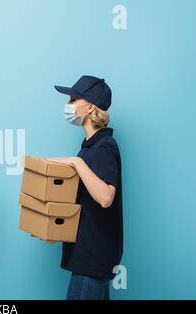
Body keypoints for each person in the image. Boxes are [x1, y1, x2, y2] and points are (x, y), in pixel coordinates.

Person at [49, 75, 123, 300]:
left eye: (73, 99)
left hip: (92, 259)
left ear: (90, 107)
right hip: (91, 257)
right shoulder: (89, 148)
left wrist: (76, 162)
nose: (68, 105)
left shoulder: (104, 146)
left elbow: (105, 197)